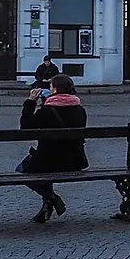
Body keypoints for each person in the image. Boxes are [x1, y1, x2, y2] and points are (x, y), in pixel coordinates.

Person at [18, 74, 87, 223]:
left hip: (48, 161)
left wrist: (31, 102)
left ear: (54, 89)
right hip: (74, 161)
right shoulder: (80, 110)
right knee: (39, 164)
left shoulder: (46, 111)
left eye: (51, 87)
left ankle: (51, 198)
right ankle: (47, 204)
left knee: (22, 170)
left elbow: (25, 127)